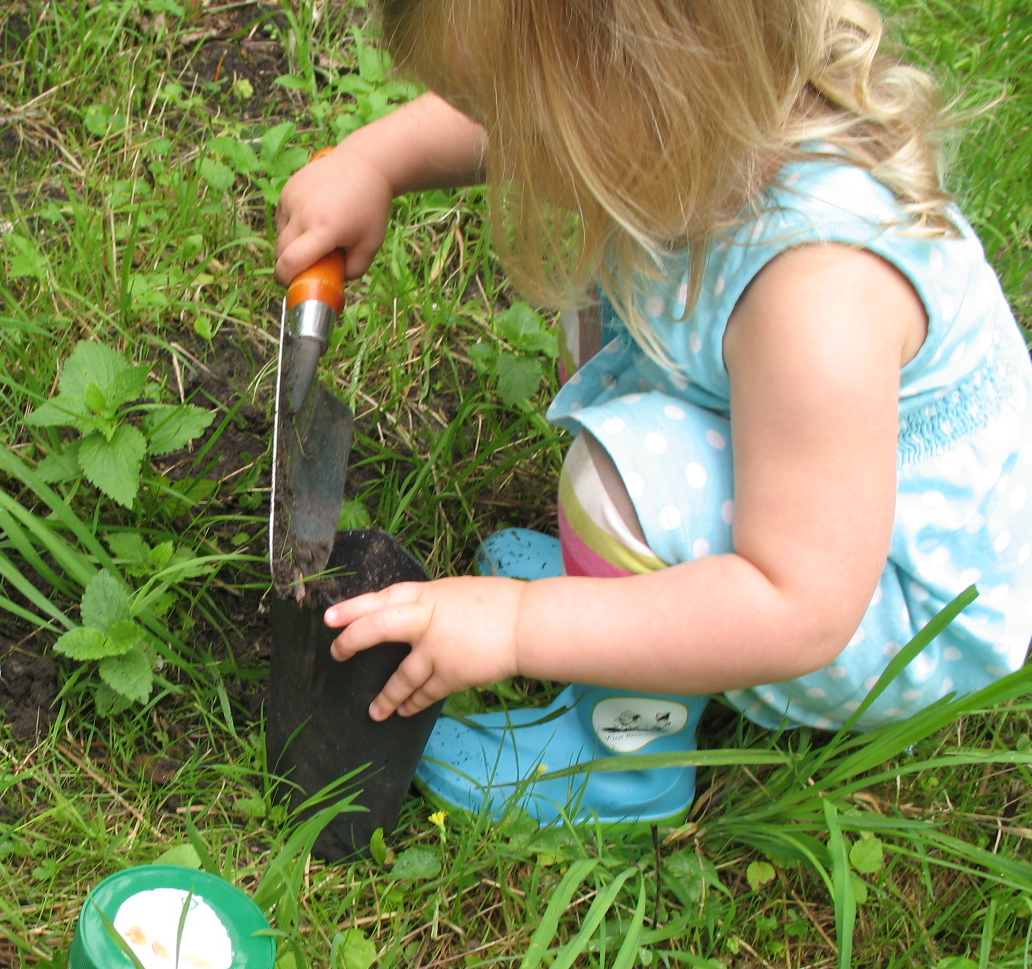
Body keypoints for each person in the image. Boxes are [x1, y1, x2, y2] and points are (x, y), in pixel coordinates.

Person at [272, 0, 1032, 825]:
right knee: (613, 350)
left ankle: (623, 757)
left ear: (642, 83)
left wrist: (522, 627)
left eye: (514, 123)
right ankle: (627, 595)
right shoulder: (701, 113)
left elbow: (798, 607)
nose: (503, 147)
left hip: (888, 613)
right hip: (819, 508)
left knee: (623, 477)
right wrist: (376, 159)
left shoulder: (820, 293)